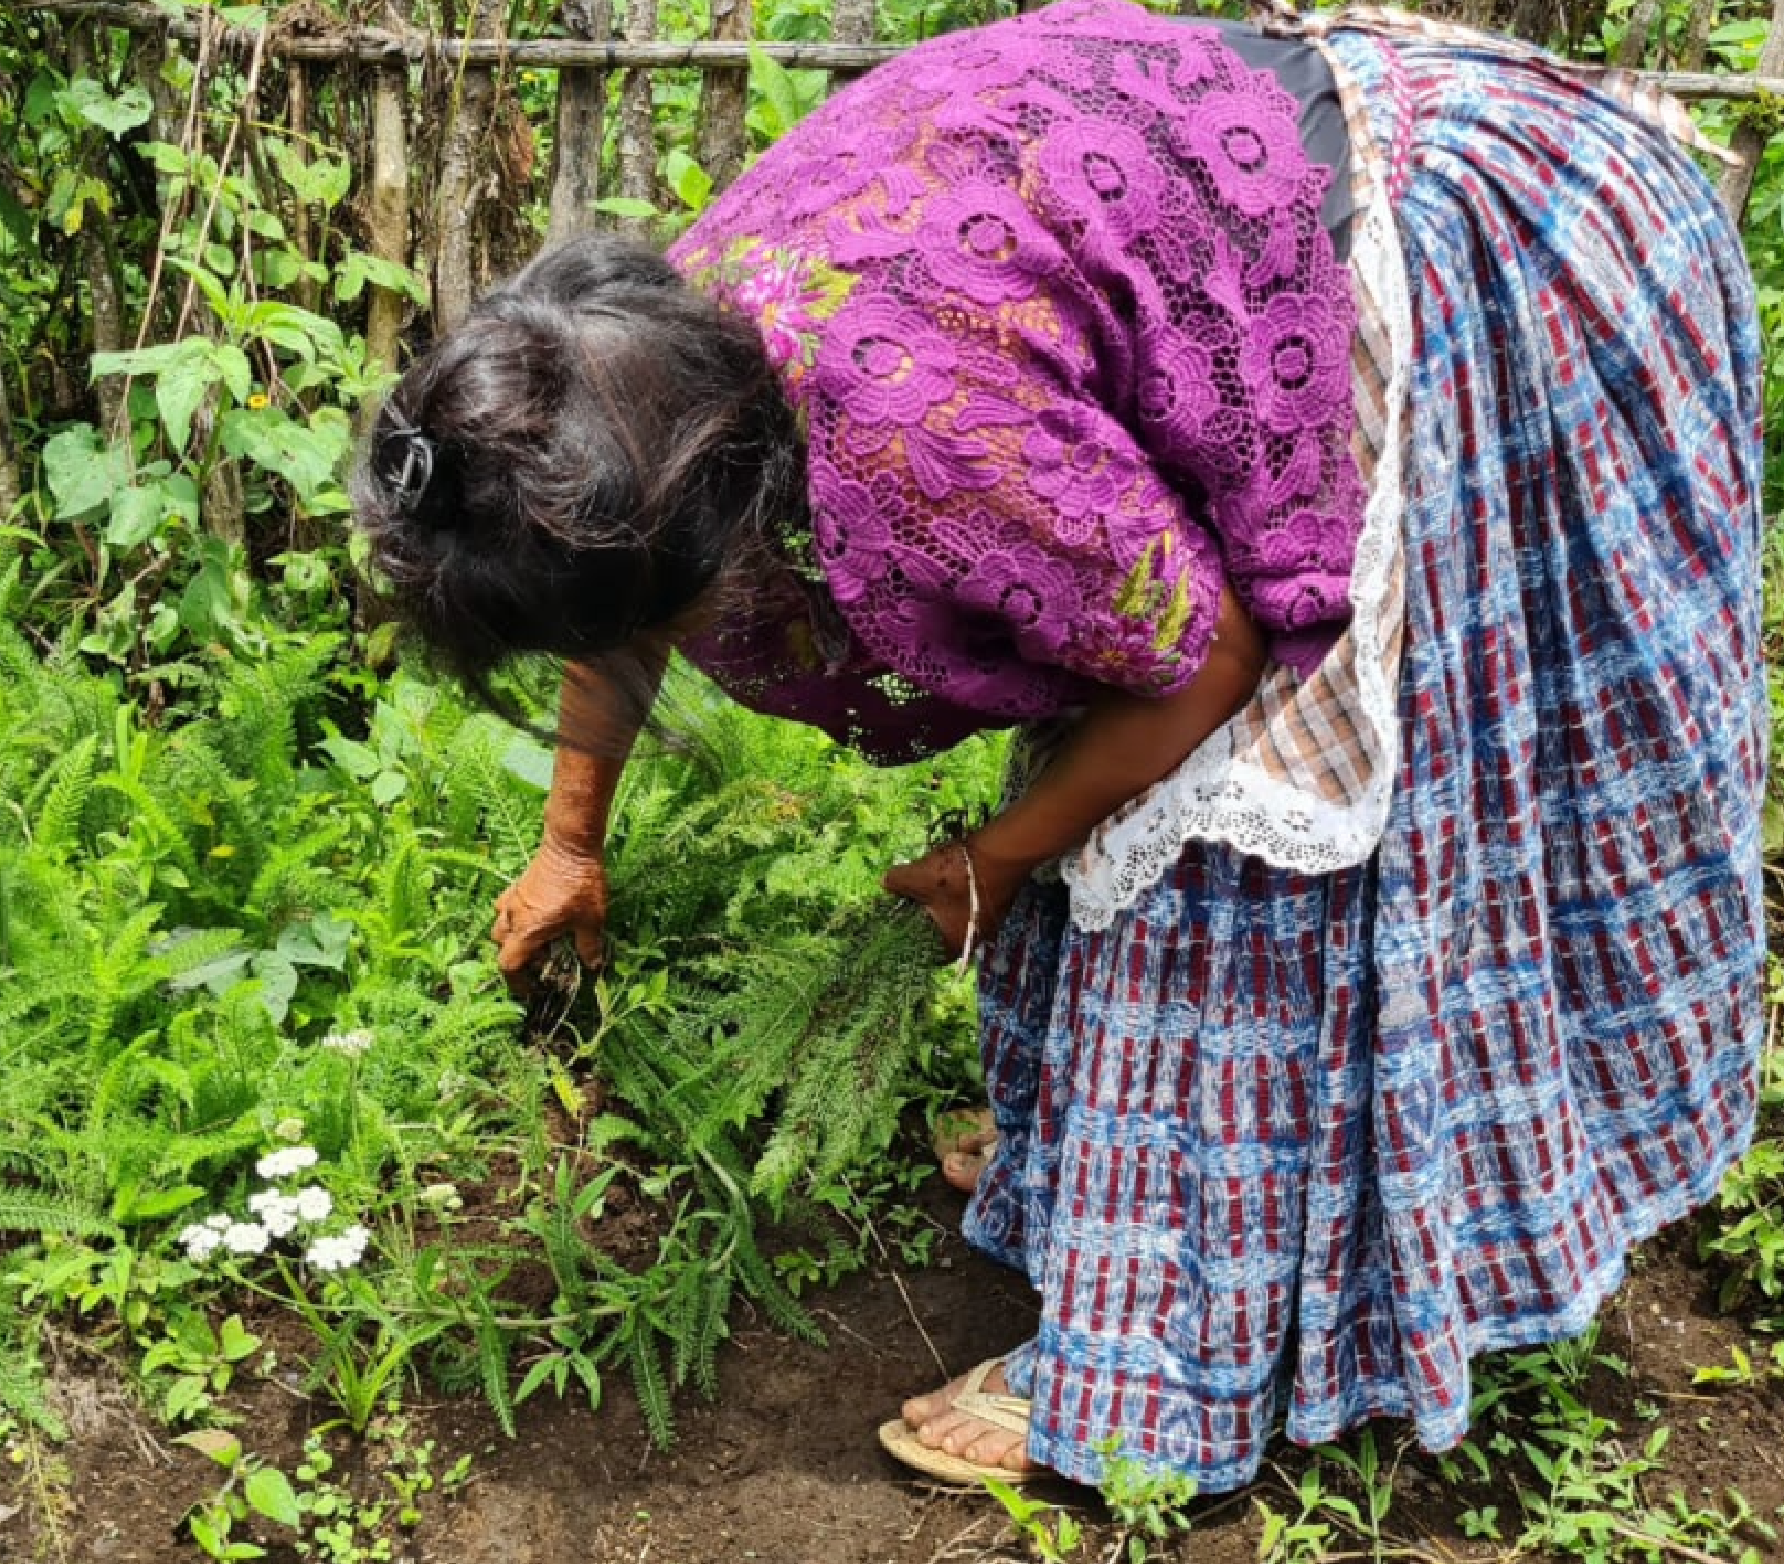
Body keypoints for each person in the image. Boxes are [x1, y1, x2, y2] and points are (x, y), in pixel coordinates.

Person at [350, 0, 1767, 1494]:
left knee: (1225, 841)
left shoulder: (924, 441)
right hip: (1243, 195)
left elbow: (1207, 665)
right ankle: (1083, 1167)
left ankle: (1161, 1353)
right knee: (1116, 742)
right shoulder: (637, 384)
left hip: (1455, 248)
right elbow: (619, 597)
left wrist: (994, 860)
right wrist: (568, 841)